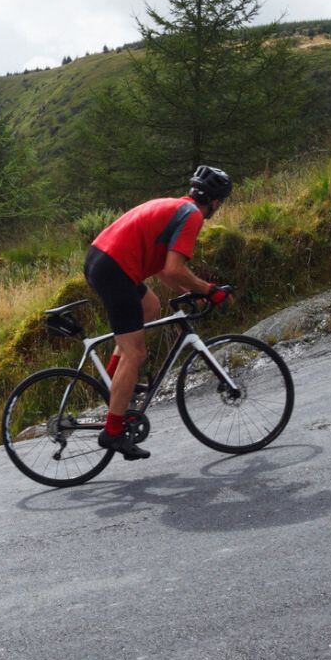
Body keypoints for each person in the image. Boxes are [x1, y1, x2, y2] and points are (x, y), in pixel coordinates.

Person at [84, 165, 234, 460]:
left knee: (150, 305)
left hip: (102, 259)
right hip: (115, 269)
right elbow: (174, 269)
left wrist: (189, 291)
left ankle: (113, 379)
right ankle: (113, 432)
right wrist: (209, 290)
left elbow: (166, 273)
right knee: (135, 353)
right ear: (216, 203)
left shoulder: (178, 206)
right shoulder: (192, 216)